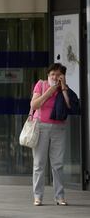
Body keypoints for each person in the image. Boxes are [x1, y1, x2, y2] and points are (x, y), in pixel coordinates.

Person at [30, 63, 70, 206]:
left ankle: (59, 196)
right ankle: (38, 197)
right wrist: (49, 91)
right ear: (48, 74)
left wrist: (63, 87)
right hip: (41, 126)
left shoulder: (63, 88)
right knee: (39, 164)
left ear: (62, 76)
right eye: (52, 74)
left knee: (58, 164)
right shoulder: (40, 85)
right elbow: (34, 105)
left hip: (59, 128)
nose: (55, 76)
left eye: (58, 74)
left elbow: (69, 105)